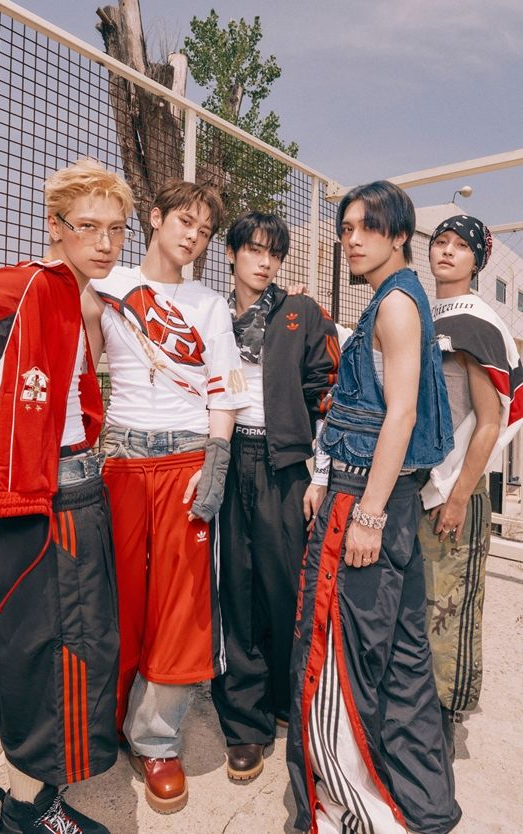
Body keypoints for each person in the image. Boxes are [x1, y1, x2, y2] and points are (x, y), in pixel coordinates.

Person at [287, 181, 462, 834]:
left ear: (399, 235)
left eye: (367, 227)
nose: (352, 239)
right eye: (346, 228)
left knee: (335, 661)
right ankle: (423, 805)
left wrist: (365, 515)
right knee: (404, 661)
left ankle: (349, 812)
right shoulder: (402, 297)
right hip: (384, 496)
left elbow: (402, 414)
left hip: (367, 500)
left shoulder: (394, 304)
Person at [0, 158, 134, 834]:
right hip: (50, 506)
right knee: (63, 657)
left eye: (116, 229)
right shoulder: (22, 286)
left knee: (19, 658)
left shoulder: (75, 295)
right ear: (55, 225)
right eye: (88, 226)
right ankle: (31, 812)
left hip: (62, 494)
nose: (104, 242)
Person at [82, 179, 249, 815]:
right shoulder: (108, 286)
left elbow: (225, 389)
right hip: (121, 458)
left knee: (181, 604)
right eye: (185, 222)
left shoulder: (209, 304)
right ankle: (101, 724)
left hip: (185, 458)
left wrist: (216, 459)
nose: (193, 237)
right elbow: (80, 366)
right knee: (116, 596)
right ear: (154, 218)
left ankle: (156, 739)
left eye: (205, 232)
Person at [211, 211, 340, 782]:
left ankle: (292, 698)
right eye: (255, 250)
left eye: (274, 253)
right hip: (224, 455)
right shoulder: (211, 314)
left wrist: (322, 474)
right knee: (234, 588)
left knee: (286, 584)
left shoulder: (301, 312)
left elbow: (329, 393)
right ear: (232, 253)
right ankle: (245, 722)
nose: (265, 263)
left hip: (284, 463)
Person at [420, 215, 523, 759]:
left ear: (478, 261)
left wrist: (459, 495)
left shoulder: (478, 322)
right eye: (441, 241)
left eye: (461, 246)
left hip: (455, 490)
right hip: (418, 486)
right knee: (420, 602)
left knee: (450, 605)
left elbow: (491, 418)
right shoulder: (426, 311)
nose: (447, 251)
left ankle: (443, 720)